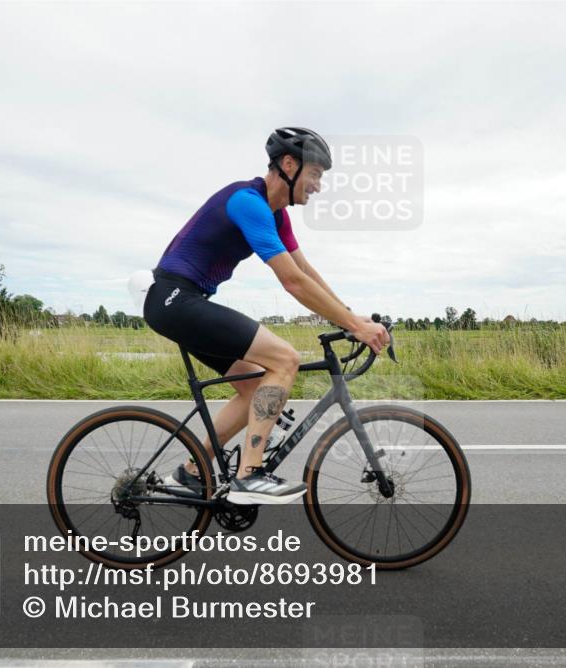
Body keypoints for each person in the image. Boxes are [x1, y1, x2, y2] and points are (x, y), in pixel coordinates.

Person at [143, 127, 390, 505]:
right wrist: (355, 326)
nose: (318, 186)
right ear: (289, 165)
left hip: (180, 301)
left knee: (257, 389)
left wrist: (351, 320)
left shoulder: (277, 217)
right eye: (315, 175)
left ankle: (191, 473)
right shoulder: (248, 202)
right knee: (284, 359)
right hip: (175, 297)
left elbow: (306, 273)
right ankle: (249, 476)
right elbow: (291, 281)